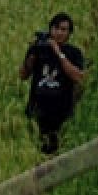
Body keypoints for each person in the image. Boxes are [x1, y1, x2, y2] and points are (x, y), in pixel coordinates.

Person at [19, 12, 86, 154]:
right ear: (50, 29)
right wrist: (32, 53)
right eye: (56, 28)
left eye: (64, 30)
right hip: (37, 111)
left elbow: (78, 77)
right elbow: (23, 75)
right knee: (34, 153)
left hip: (60, 114)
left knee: (58, 153)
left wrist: (58, 52)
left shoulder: (74, 53)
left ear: (69, 33)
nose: (59, 33)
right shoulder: (39, 49)